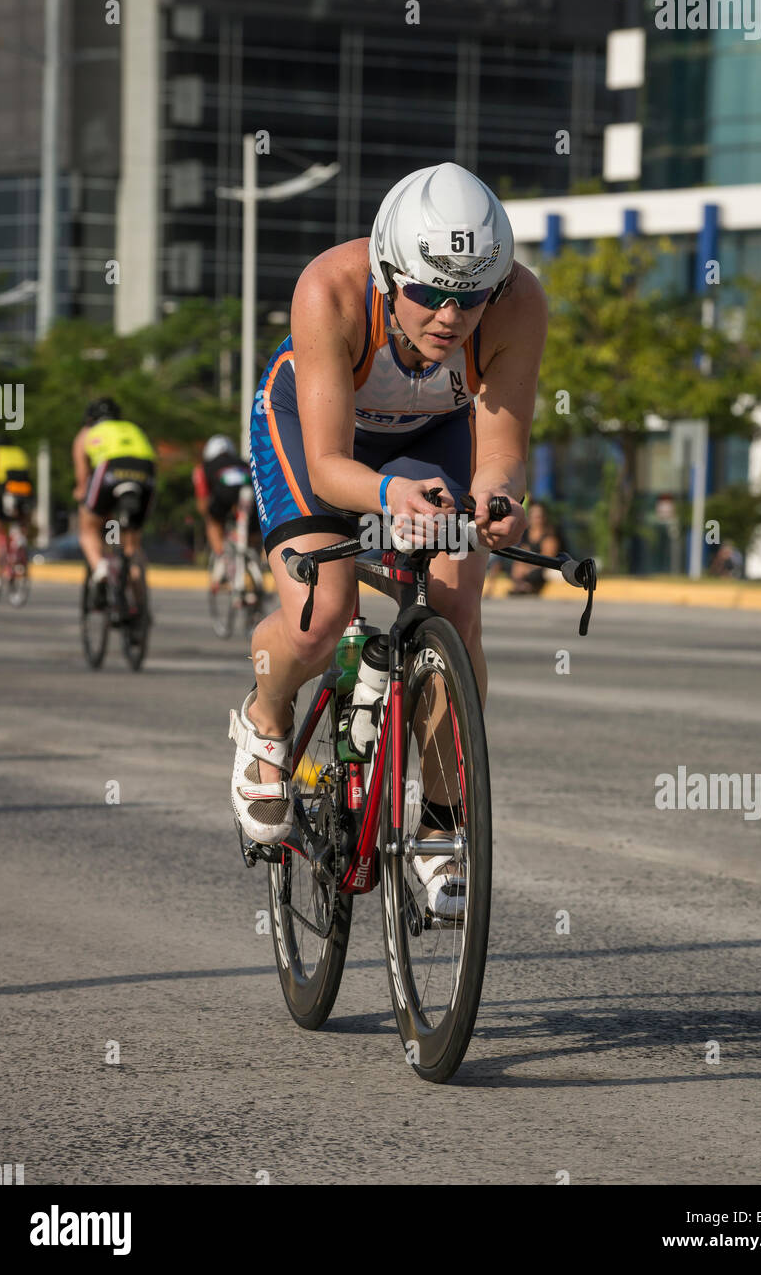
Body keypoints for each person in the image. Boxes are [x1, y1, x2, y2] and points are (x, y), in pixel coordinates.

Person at [230, 162, 547, 917]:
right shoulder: (330, 289)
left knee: (454, 609)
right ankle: (266, 717)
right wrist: (384, 497)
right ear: (385, 271)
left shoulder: (517, 302)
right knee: (323, 611)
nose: (449, 316)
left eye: (469, 297)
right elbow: (331, 465)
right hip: (319, 438)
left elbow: (501, 449)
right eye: (429, 293)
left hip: (431, 436)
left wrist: (499, 495)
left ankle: (439, 825)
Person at [72, 398, 156, 598]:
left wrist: (81, 494)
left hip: (111, 468)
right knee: (132, 545)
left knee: (89, 526)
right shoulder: (133, 428)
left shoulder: (87, 433)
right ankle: (139, 606)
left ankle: (100, 568)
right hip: (145, 472)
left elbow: (83, 481)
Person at [192, 435, 253, 585]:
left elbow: (202, 503)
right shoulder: (243, 463)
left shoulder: (204, 468)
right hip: (250, 494)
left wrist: (212, 518)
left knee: (212, 521)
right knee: (252, 529)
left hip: (224, 494)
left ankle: (222, 558)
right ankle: (254, 560)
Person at [0, 434, 34, 597]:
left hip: (3, 495)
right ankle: (20, 538)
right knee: (20, 522)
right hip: (25, 496)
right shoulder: (21, 454)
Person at [507, 500, 561, 595]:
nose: (536, 519)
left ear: (544, 517)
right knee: (515, 566)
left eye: (538, 516)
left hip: (543, 568)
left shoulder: (549, 534)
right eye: (533, 516)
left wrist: (528, 569)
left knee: (537, 573)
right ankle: (523, 586)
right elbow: (523, 553)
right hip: (530, 567)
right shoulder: (526, 533)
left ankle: (526, 587)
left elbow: (547, 559)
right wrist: (520, 566)